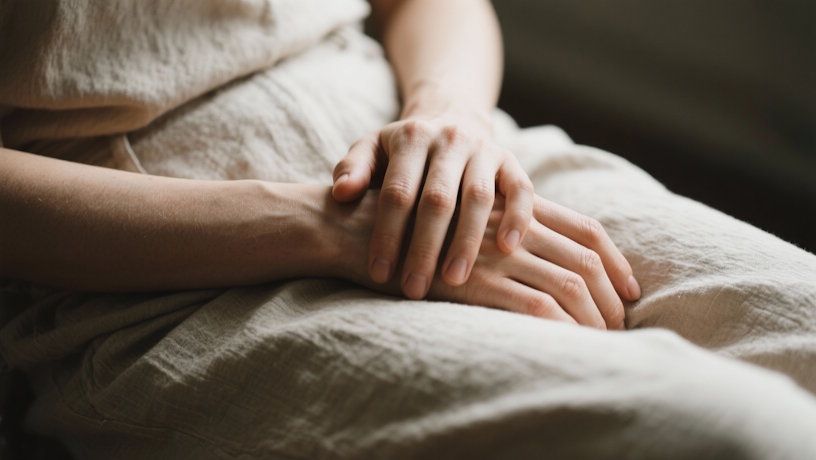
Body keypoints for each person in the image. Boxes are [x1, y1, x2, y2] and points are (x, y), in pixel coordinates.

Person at [0, 0, 814, 459]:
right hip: (148, 261)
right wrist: (337, 228)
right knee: (736, 438)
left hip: (436, 140)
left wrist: (450, 116)